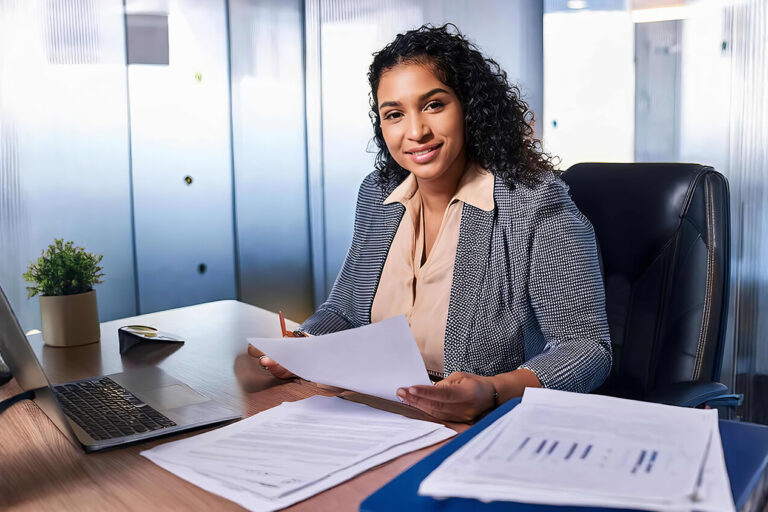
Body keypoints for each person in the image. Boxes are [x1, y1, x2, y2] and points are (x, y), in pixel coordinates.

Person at [249, 24, 612, 423]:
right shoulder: (378, 194)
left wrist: (494, 391)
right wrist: (303, 345)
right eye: (394, 114)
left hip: (485, 424)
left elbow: (587, 347)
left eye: (434, 105)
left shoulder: (534, 203)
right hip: (375, 412)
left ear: (468, 107)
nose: (416, 131)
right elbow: (345, 311)